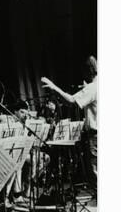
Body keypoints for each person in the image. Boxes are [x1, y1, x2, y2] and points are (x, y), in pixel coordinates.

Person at [41, 55, 97, 185]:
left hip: (95, 135)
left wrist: (54, 87)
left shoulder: (92, 88)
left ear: (87, 71)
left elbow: (71, 101)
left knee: (96, 171)